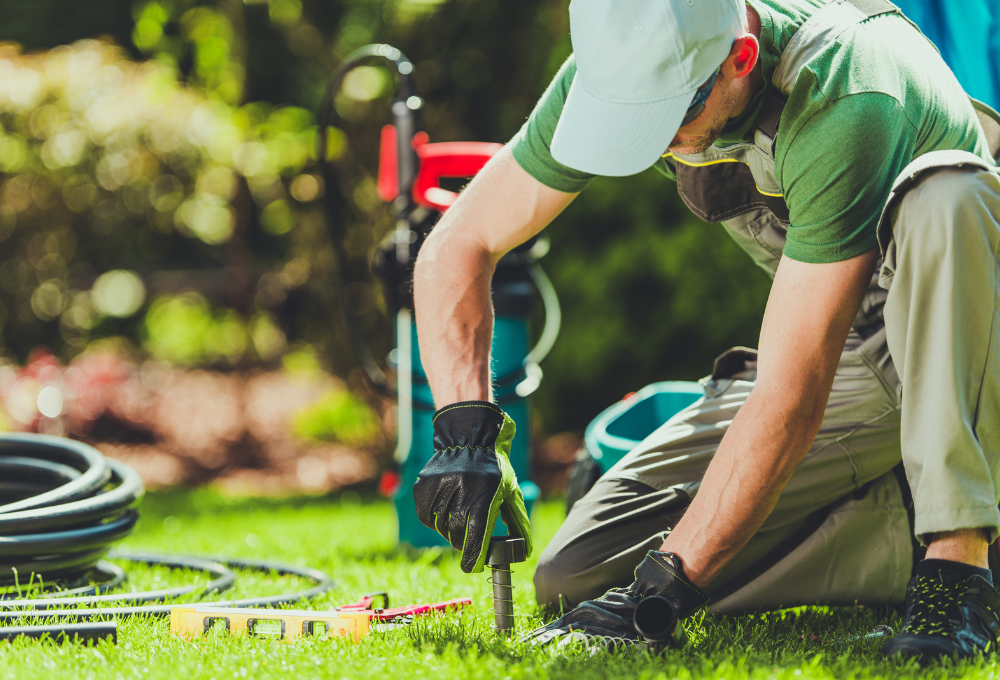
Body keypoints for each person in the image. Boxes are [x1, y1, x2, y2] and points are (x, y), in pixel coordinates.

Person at [410, 0, 1000, 662]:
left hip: (965, 344)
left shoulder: (844, 86)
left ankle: (959, 560)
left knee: (950, 196)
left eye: (672, 118)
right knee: (576, 572)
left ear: (739, 59)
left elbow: (790, 392)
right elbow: (457, 244)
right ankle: (921, 521)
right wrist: (464, 430)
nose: (657, 143)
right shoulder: (624, 63)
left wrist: (666, 586)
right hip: (856, 360)